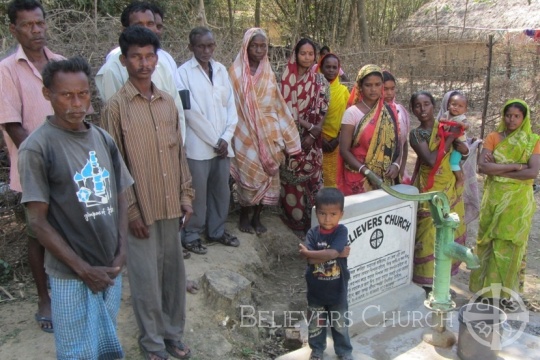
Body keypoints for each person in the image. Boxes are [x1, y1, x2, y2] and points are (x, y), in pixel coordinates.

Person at [19, 56, 132, 359]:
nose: (77, 103)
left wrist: (121, 251)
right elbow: (38, 224)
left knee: (106, 341)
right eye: (66, 95)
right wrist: (83, 270)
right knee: (76, 351)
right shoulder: (37, 147)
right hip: (70, 274)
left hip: (109, 266)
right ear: (48, 94)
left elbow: (120, 195)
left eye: (82, 94)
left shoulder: (102, 138)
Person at [101, 26, 194, 360]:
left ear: (157, 58)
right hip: (140, 210)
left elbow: (178, 153)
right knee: (145, 281)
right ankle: (152, 344)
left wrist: (186, 195)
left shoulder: (168, 103)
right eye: (136, 57)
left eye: (149, 56)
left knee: (173, 275)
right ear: (124, 60)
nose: (144, 63)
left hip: (171, 203)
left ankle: (173, 334)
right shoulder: (115, 107)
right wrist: (132, 212)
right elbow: (115, 165)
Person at [0, 0, 66, 333]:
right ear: (14, 29)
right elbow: (13, 125)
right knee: (38, 234)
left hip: (67, 168)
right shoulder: (6, 70)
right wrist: (46, 159)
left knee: (69, 229)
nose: (36, 30)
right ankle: (45, 300)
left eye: (39, 23)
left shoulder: (61, 64)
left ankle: (69, 291)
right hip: (32, 168)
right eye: (27, 25)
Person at [229, 28, 301, 235]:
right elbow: (230, 106)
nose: (259, 50)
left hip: (270, 135)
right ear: (246, 46)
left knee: (268, 176)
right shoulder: (234, 73)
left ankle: (258, 216)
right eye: (255, 45)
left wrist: (287, 137)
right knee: (247, 177)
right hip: (244, 133)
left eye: (263, 46)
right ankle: (244, 214)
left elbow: (278, 105)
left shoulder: (269, 73)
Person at [469, 100, 540, 300]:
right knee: (488, 242)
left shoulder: (532, 140)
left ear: (524, 118)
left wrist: (499, 170)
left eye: (517, 116)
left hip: (518, 203)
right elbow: (482, 168)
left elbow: (532, 172)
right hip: (494, 199)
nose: (512, 120)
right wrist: (517, 166)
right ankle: (484, 292)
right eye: (508, 115)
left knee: (509, 244)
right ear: (503, 116)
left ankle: (504, 295)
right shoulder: (494, 137)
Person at [177, 27, 239, 254]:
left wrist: (226, 138)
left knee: (221, 191)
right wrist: (216, 140)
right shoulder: (182, 73)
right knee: (197, 194)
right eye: (201, 46)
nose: (206, 50)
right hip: (198, 146)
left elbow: (232, 107)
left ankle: (216, 231)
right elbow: (189, 112)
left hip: (223, 146)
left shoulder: (221, 70)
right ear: (191, 47)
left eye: (210, 45)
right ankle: (192, 234)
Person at [95, 1, 186, 143]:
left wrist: (180, 145)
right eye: (139, 25)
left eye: (150, 24)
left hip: (169, 148)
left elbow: (177, 109)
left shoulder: (163, 62)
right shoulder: (113, 68)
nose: (146, 29)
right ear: (125, 29)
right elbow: (115, 123)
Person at [409, 91, 468, 290]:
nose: (423, 109)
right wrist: (449, 138)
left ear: (434, 106)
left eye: (426, 104)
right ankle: (425, 283)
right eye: (418, 106)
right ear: (413, 110)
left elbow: (463, 153)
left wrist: (458, 142)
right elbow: (432, 159)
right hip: (429, 190)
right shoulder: (416, 134)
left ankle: (443, 278)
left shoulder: (445, 126)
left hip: (448, 186)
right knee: (428, 232)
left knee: (448, 228)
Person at [280, 38, 329, 237]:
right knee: (290, 185)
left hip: (311, 143)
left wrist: (310, 134)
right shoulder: (282, 79)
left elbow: (323, 112)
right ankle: (294, 228)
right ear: (295, 54)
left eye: (311, 54)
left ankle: (315, 228)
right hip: (286, 141)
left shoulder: (320, 82)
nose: (307, 58)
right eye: (303, 54)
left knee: (314, 185)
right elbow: (277, 110)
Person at [298, 187, 353, 360]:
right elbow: (313, 261)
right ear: (316, 212)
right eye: (322, 214)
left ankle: (344, 352)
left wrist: (309, 253)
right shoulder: (312, 233)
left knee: (340, 325)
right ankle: (317, 350)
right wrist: (332, 253)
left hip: (337, 291)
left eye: (333, 214)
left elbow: (329, 254)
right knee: (316, 324)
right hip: (316, 292)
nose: (327, 219)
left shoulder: (341, 231)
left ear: (341, 214)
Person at [337, 64, 400, 196]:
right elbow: (344, 150)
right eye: (368, 85)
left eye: (377, 84)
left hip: (384, 178)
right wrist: (367, 172)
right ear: (360, 86)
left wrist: (396, 164)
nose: (373, 89)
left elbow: (397, 144)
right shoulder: (352, 113)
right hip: (358, 177)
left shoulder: (389, 111)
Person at [318, 53, 349, 188]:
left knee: (334, 181)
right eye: (327, 67)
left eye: (334, 67)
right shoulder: (313, 90)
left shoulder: (343, 92)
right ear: (321, 68)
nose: (331, 70)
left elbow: (349, 119)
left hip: (338, 143)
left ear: (338, 70)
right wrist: (320, 139)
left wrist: (337, 139)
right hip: (316, 142)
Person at [383, 70, 411, 184]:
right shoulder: (372, 113)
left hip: (396, 168)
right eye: (385, 89)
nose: (389, 93)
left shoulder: (400, 111)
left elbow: (403, 143)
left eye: (392, 88)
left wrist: (401, 167)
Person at [437, 90, 470, 187]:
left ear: (465, 109)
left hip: (458, 144)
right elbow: (440, 124)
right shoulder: (446, 115)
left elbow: (466, 126)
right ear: (447, 105)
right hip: (445, 146)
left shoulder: (461, 118)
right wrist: (442, 122)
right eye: (454, 104)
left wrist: (462, 125)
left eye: (460, 106)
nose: (456, 108)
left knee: (454, 163)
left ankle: (459, 179)